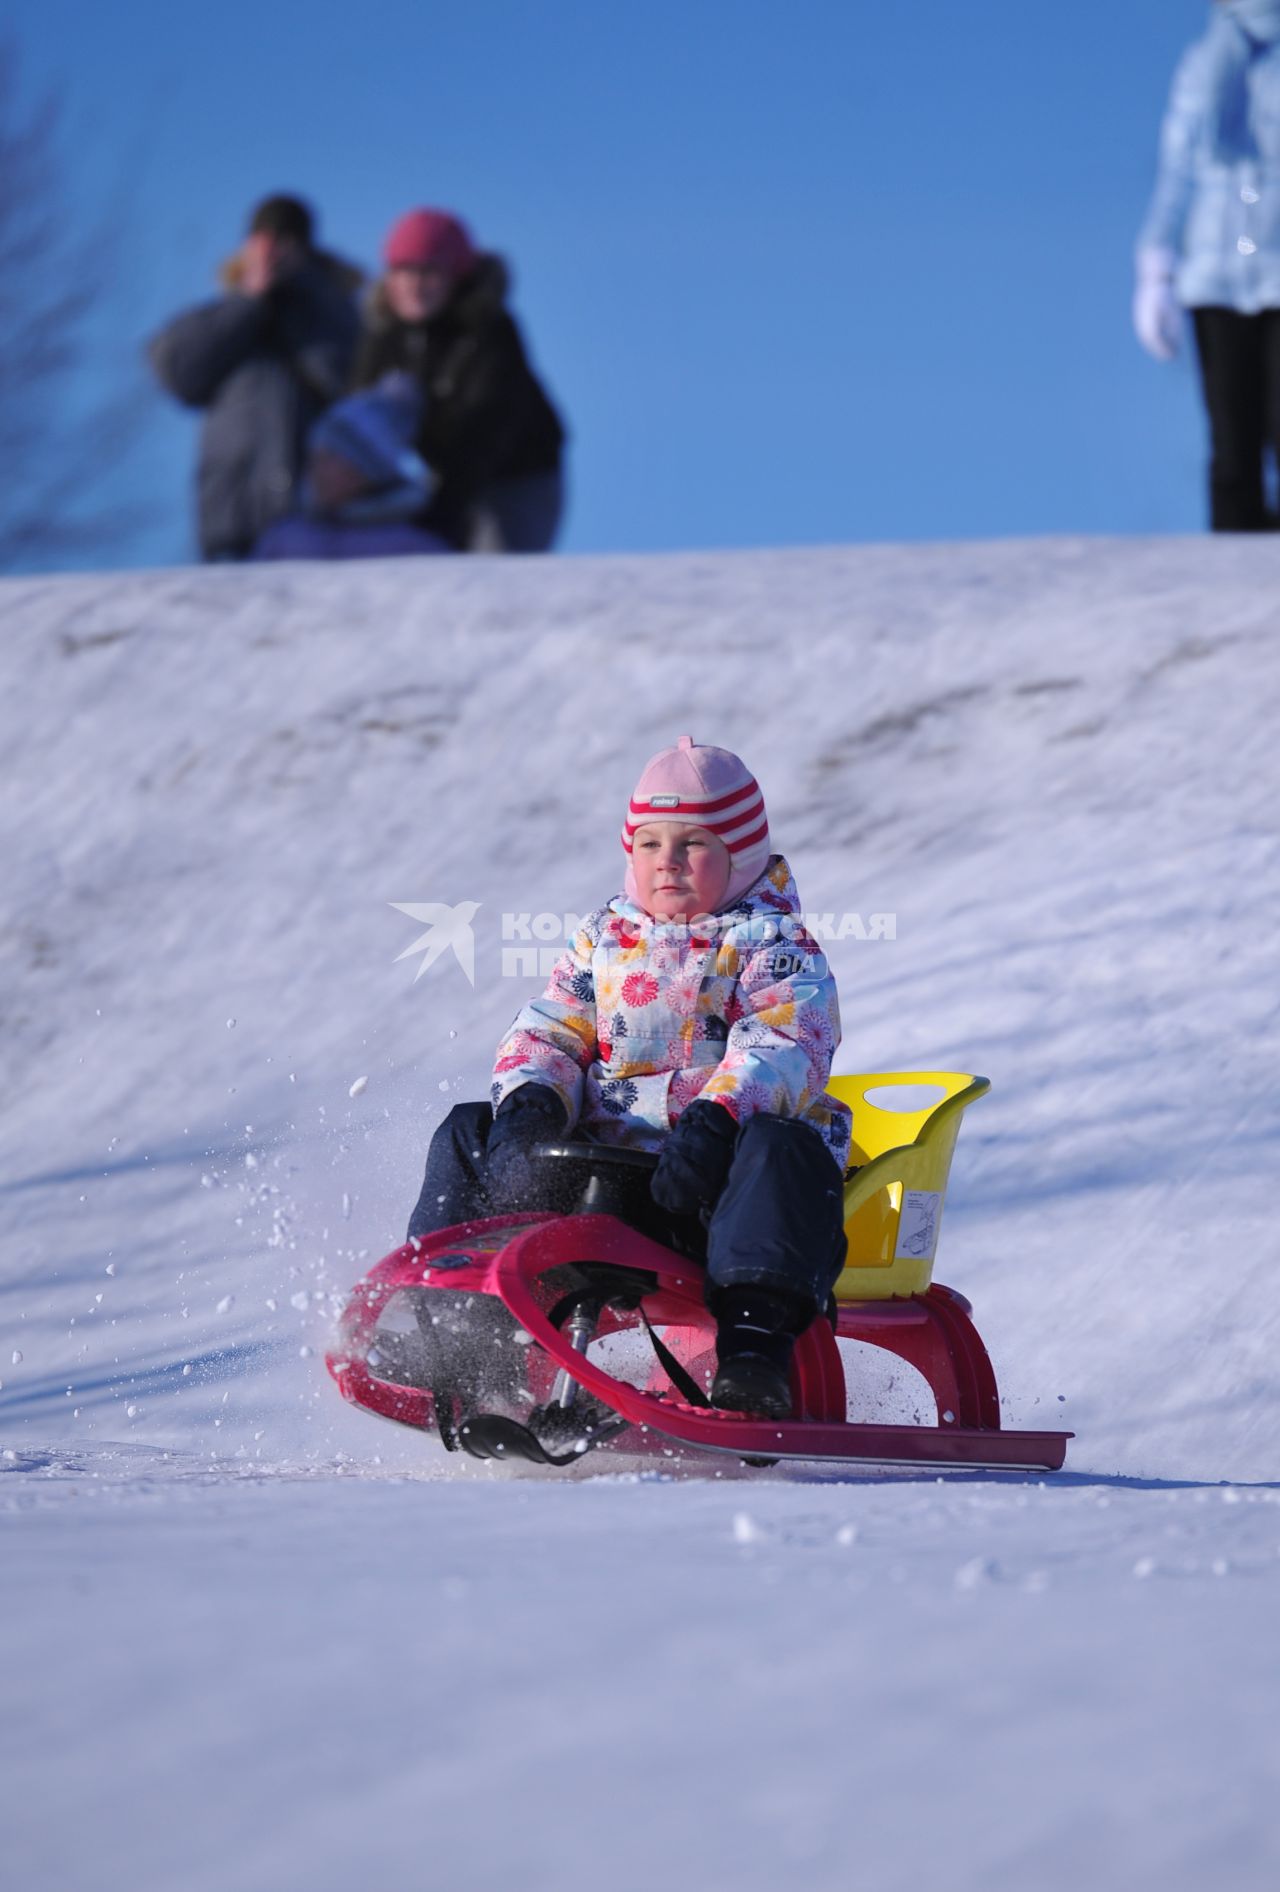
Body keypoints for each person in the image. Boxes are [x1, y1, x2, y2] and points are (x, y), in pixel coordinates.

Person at [406, 737, 851, 1418]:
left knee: (784, 1150)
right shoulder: (603, 939)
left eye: (693, 844)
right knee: (469, 1128)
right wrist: (532, 1099)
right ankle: (464, 1335)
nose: (666, 862)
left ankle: (755, 1352)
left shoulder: (773, 944)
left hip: (706, 1189)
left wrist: (719, 1119)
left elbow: (786, 1041)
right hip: (598, 1176)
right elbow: (556, 1025)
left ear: (742, 856)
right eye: (649, 844)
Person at [149, 195, 362, 560]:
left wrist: (300, 293)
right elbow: (176, 369)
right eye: (263, 241)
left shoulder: (333, 311)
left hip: (319, 517)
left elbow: (350, 376)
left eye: (285, 242)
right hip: (231, 517)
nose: (273, 252)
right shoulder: (225, 314)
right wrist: (249, 301)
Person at [1135, 0, 1280, 529]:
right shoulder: (1205, 63)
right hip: (1214, 279)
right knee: (1232, 444)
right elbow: (1177, 175)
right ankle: (1233, 585)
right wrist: (1157, 268)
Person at [352, 208, 566, 552]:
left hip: (519, 478)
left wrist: (443, 513)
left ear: (457, 275)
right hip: (443, 478)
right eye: (403, 270)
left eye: (429, 271)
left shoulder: (489, 330)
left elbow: (487, 426)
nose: (415, 284)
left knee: (495, 578)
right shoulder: (386, 334)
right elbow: (358, 410)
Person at [252, 374, 448, 560]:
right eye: (315, 457)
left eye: (331, 459)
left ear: (370, 470)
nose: (317, 470)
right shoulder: (283, 539)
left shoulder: (415, 550)